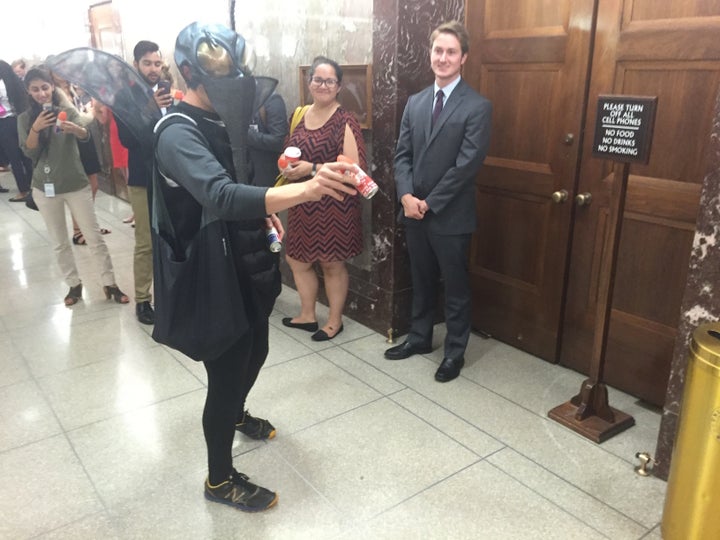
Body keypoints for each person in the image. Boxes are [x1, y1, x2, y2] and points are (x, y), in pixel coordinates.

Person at [154, 21, 357, 512]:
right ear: (188, 73)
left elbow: (235, 181)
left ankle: (237, 412)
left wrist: (265, 209)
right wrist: (307, 190)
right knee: (225, 371)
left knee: (257, 346)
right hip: (209, 268)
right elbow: (219, 194)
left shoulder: (217, 121)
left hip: (242, 253)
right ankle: (219, 479)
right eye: (216, 80)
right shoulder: (175, 132)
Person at [384, 21, 492, 383]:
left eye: (450, 52)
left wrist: (428, 202)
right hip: (413, 209)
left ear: (463, 58)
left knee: (455, 286)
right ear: (430, 54)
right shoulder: (415, 103)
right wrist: (406, 196)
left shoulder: (477, 107)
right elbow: (402, 156)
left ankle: (454, 352)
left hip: (450, 215)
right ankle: (419, 337)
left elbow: (467, 165)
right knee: (421, 278)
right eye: (437, 51)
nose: (443, 58)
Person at [17, 67, 128, 306]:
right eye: (35, 89)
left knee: (94, 236)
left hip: (76, 183)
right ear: (28, 91)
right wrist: (36, 128)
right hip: (44, 187)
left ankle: (110, 283)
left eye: (45, 87)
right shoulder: (25, 119)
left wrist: (75, 129)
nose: (41, 93)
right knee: (59, 242)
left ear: (52, 87)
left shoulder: (65, 110)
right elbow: (28, 151)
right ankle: (74, 285)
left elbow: (85, 135)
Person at [280, 56, 366, 341]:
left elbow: (355, 172)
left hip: (334, 204)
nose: (323, 85)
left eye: (330, 81)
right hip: (302, 202)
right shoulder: (299, 115)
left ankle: (333, 321)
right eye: (318, 79)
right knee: (297, 259)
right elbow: (287, 154)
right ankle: (307, 315)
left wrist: (313, 169)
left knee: (331, 263)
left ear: (339, 86)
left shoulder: (345, 120)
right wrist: (289, 169)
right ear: (309, 82)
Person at [116, 40, 173, 325]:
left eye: (158, 63)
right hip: (142, 178)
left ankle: (170, 294)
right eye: (148, 63)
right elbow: (128, 140)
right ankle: (142, 299)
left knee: (171, 238)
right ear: (136, 64)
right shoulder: (124, 97)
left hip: (171, 177)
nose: (153, 69)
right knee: (145, 242)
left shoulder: (166, 91)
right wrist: (150, 108)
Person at [0, 60, 33, 201]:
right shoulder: (14, 82)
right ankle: (32, 187)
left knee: (14, 158)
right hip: (19, 119)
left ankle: (23, 190)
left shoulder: (1, 84)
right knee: (25, 155)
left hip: (5, 122)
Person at [248, 91, 288, 187]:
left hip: (265, 178)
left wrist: (243, 135)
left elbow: (279, 141)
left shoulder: (270, 100)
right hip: (240, 175)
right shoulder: (233, 102)